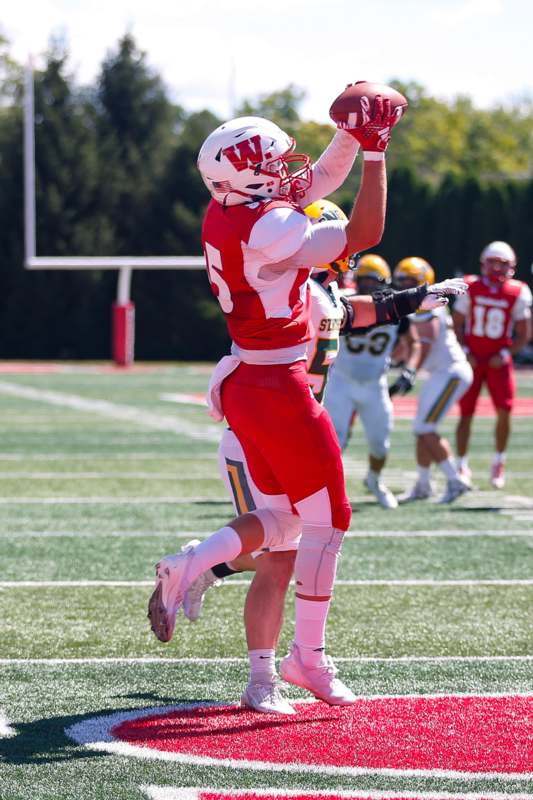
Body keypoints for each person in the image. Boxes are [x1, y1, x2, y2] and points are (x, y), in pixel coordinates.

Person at [148, 100, 463, 710]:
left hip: (258, 388)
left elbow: (318, 205)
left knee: (288, 534)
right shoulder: (276, 237)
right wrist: (374, 150)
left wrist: (347, 135)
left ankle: (198, 567)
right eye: (273, 162)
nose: (288, 171)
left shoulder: (232, 209)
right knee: (325, 524)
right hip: (276, 397)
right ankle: (301, 658)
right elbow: (360, 237)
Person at [324, 254, 421, 508]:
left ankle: (374, 480)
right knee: (335, 440)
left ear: (384, 282)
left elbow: (414, 343)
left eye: (372, 281)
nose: (367, 287)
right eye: (362, 281)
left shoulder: (395, 308)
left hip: (375, 384)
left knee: (380, 442)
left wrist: (408, 370)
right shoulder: (343, 301)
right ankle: (327, 491)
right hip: (341, 382)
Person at [452, 242, 532, 489]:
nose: (497, 268)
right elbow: (456, 324)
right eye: (492, 262)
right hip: (473, 358)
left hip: (499, 360)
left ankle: (499, 460)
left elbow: (524, 333)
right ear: (483, 264)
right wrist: (465, 351)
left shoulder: (518, 291)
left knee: (505, 411)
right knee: (465, 413)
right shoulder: (470, 286)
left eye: (502, 263)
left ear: (512, 267)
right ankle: (461, 463)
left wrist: (506, 352)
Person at [394, 258, 473, 504]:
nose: (406, 285)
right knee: (421, 427)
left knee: (424, 428)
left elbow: (424, 344)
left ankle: (456, 480)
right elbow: (409, 344)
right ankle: (424, 484)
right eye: (403, 281)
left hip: (450, 372)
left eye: (411, 281)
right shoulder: (416, 305)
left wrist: (410, 371)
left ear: (422, 281)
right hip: (441, 373)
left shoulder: (431, 305)